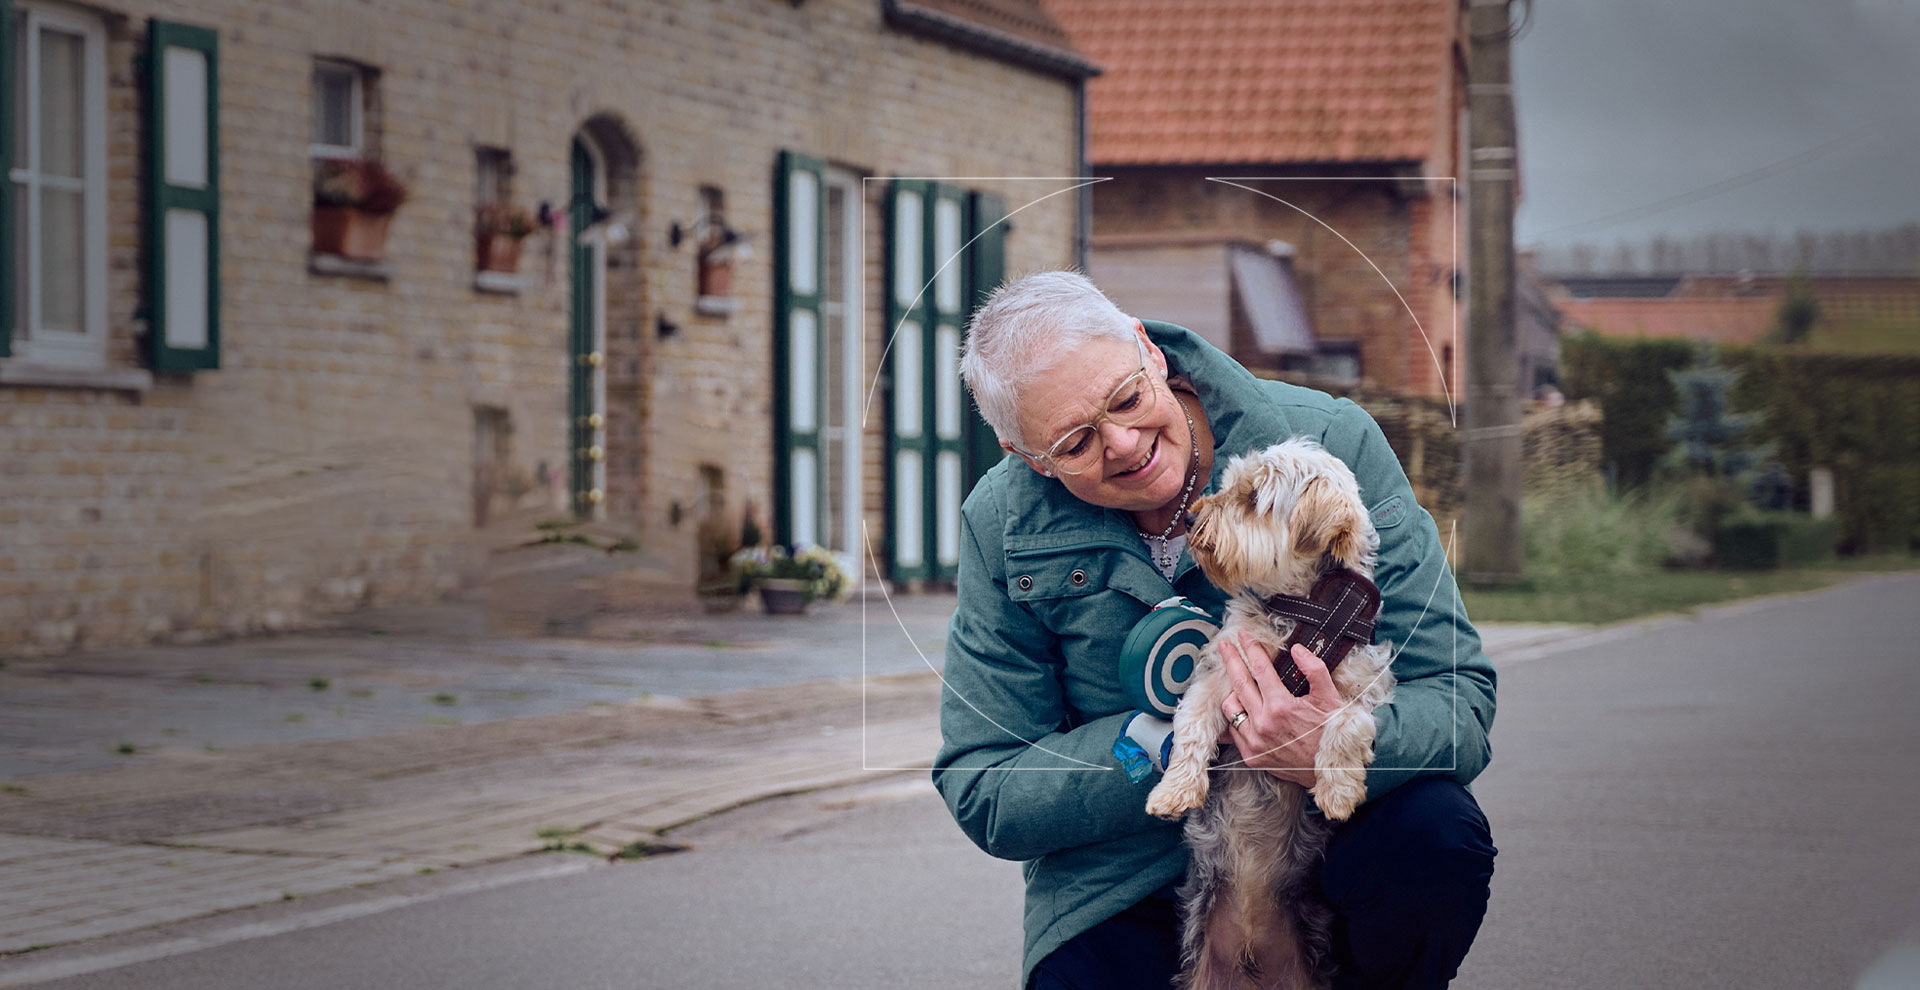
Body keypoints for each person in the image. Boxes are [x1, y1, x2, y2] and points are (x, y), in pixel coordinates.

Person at [931, 271, 1498, 990]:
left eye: (1128, 399)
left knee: (1435, 836)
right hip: (1123, 879)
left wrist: (1325, 740)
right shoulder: (1001, 524)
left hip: (1329, 851)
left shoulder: (1328, 446)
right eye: (1075, 443)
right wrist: (1168, 741)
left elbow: (1460, 702)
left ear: (1147, 348)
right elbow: (985, 784)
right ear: (1025, 456)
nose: (1125, 444)